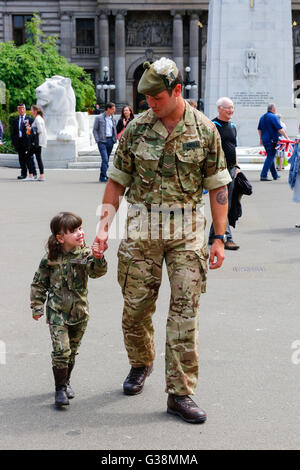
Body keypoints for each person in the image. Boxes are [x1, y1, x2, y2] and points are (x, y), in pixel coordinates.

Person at [92, 58, 231, 424]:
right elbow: (116, 181)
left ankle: (180, 393)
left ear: (177, 91)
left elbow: (218, 187)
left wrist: (219, 237)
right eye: (146, 98)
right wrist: (103, 228)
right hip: (142, 229)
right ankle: (141, 363)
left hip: (186, 230)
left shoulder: (205, 131)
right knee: (136, 310)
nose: (150, 104)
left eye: (157, 97)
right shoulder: (136, 130)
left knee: (185, 312)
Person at [30, 212, 107, 408]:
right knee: (61, 351)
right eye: (73, 231)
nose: (80, 233)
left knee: (72, 351)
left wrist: (99, 258)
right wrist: (37, 306)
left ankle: (66, 381)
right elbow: (39, 284)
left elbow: (97, 273)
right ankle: (60, 390)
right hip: (57, 313)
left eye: (80, 228)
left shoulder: (85, 254)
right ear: (60, 237)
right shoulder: (50, 260)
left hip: (80, 313)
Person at [208, 97, 240, 250]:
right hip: (220, 171)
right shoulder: (213, 125)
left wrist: (237, 166)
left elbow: (234, 147)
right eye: (228, 108)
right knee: (223, 202)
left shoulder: (233, 126)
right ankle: (227, 237)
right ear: (219, 108)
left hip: (232, 170)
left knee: (227, 203)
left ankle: (212, 235)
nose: (231, 110)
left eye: (232, 108)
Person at [258, 103, 288, 181]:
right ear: (273, 109)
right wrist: (287, 138)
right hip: (272, 140)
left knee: (270, 157)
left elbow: (259, 129)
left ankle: (275, 175)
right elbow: (279, 129)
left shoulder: (262, 117)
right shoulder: (274, 117)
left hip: (265, 140)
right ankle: (263, 175)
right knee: (270, 157)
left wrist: (261, 139)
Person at [93, 102, 117, 182]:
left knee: (106, 160)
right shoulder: (99, 118)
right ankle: (103, 176)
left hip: (110, 141)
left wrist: (114, 139)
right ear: (108, 109)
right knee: (105, 159)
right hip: (102, 141)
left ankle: (102, 175)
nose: (114, 111)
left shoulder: (113, 119)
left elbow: (114, 130)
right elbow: (95, 130)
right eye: (113, 109)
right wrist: (97, 140)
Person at [11, 104, 36, 180]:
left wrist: (32, 141)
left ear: (25, 109)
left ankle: (33, 173)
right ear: (18, 110)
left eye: (22, 108)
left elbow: (33, 131)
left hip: (27, 142)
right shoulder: (15, 120)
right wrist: (14, 142)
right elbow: (14, 132)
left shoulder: (30, 119)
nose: (21, 110)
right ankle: (23, 174)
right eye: (19, 109)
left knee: (29, 158)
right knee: (21, 158)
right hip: (19, 141)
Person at [26, 105, 47, 181]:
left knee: (27, 156)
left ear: (35, 111)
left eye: (31, 110)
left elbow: (40, 130)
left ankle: (31, 175)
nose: (30, 111)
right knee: (38, 158)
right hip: (39, 142)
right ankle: (41, 176)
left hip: (36, 142)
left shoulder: (38, 119)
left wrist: (30, 129)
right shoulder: (39, 118)